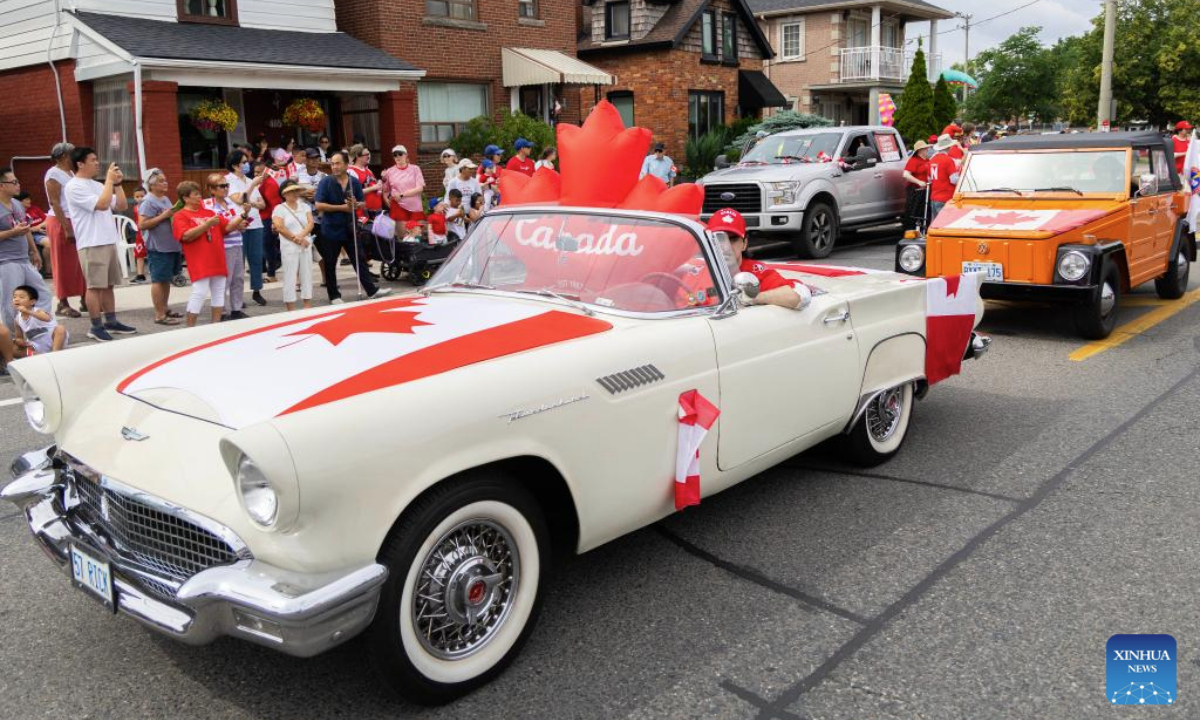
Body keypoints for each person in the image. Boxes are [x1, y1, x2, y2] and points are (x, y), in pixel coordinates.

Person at [63, 147, 136, 342]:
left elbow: (121, 206)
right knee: (95, 287)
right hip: (91, 242)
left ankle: (111, 321)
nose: (97, 163)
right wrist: (110, 182)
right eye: (93, 160)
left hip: (108, 239)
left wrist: (118, 184)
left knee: (109, 285)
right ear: (80, 164)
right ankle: (95, 326)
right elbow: (102, 205)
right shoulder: (73, 186)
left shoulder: (96, 185)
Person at [315, 151, 389, 303]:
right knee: (330, 262)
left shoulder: (353, 182)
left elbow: (362, 203)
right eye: (332, 163)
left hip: (350, 226)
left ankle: (371, 290)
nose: (334, 167)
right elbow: (319, 204)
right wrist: (342, 208)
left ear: (346, 164)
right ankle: (334, 295)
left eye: (337, 163)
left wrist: (356, 204)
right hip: (330, 228)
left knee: (359, 259)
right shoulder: (325, 182)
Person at [706, 208, 809, 309]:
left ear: (744, 244)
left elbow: (801, 294)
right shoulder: (696, 272)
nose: (725, 246)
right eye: (719, 239)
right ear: (708, 242)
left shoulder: (755, 272)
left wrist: (750, 298)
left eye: (733, 239)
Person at [0, 168, 53, 333]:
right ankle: (14, 338)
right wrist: (12, 232)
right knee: (12, 302)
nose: (18, 185)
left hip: (23, 258)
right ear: (2, 186)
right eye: (14, 182)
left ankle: (37, 327)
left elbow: (26, 228)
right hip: (6, 261)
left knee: (43, 293)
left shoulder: (17, 204)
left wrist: (34, 251)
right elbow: (17, 231)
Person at [172, 181, 229, 327]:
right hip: (199, 259)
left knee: (219, 291)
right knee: (200, 292)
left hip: (216, 257)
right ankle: (190, 328)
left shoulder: (209, 212)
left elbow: (227, 227)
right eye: (196, 194)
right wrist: (206, 225)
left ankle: (216, 325)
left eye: (199, 194)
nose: (200, 197)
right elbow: (185, 236)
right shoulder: (180, 215)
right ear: (185, 198)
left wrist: (243, 217)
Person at [43, 142, 86, 318]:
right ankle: (63, 302)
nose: (75, 156)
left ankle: (86, 297)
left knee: (81, 261)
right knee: (63, 262)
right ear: (62, 156)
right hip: (60, 220)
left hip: (75, 218)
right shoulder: (53, 174)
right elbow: (54, 202)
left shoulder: (71, 172)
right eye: (71, 153)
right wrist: (67, 228)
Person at [203, 172, 253, 319]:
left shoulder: (230, 204)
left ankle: (236, 309)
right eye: (221, 186)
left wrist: (242, 223)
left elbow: (236, 224)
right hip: (222, 247)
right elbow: (225, 228)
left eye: (227, 185)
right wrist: (241, 218)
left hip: (237, 243)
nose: (225, 188)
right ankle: (222, 311)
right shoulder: (208, 206)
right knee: (224, 280)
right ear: (212, 189)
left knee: (238, 278)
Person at [138, 169, 182, 325]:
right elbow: (142, 224)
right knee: (158, 280)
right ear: (152, 185)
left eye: (165, 180)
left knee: (166, 279)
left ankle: (165, 308)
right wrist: (164, 216)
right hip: (158, 247)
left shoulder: (164, 198)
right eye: (161, 181)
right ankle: (159, 315)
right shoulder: (148, 201)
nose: (166, 183)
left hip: (170, 245)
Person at [225, 151, 268, 306]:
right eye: (244, 162)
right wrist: (251, 187)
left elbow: (262, 204)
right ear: (236, 164)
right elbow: (239, 200)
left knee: (256, 258)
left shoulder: (250, 180)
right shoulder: (228, 180)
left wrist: (251, 200)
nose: (247, 165)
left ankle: (257, 291)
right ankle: (238, 296)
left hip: (255, 222)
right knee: (239, 262)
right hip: (239, 224)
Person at [272, 180, 315, 311]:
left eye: (296, 191)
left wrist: (301, 237)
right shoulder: (279, 209)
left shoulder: (304, 206)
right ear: (284, 194)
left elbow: (310, 224)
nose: (295, 194)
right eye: (291, 191)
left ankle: (307, 305)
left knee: (307, 275)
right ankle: (290, 308)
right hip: (289, 247)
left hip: (305, 245)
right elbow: (279, 227)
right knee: (290, 276)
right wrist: (296, 239)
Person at [12, 284, 66, 354]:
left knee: (60, 328)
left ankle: (55, 353)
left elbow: (47, 318)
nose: (16, 299)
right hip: (35, 345)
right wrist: (19, 341)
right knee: (13, 348)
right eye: (14, 297)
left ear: (32, 302)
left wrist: (28, 311)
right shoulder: (17, 320)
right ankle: (36, 355)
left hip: (54, 339)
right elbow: (19, 337)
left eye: (21, 297)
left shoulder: (37, 311)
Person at [253, 160, 283, 282]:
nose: (256, 175)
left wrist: (274, 222)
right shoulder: (256, 183)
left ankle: (272, 274)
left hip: (268, 219)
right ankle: (271, 267)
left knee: (268, 246)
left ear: (266, 171)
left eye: (259, 172)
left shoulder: (270, 184)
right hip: (258, 219)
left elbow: (275, 206)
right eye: (255, 172)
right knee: (265, 246)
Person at [381, 144, 425, 223]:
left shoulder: (415, 169)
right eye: (395, 155)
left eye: (400, 154)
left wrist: (401, 195)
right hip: (398, 206)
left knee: (416, 233)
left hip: (415, 205)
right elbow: (385, 189)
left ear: (406, 155)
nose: (397, 157)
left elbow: (420, 189)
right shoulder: (389, 171)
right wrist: (385, 197)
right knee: (402, 234)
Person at [928, 134, 960, 220]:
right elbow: (954, 180)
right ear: (949, 147)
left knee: (935, 225)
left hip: (934, 197)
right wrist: (962, 179)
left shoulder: (932, 160)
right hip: (946, 197)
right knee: (945, 223)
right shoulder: (948, 160)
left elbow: (929, 179)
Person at [903, 140, 932, 230]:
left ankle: (924, 230)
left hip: (926, 190)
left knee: (925, 212)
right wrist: (918, 182)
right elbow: (905, 175)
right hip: (915, 191)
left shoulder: (927, 160)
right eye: (925, 148)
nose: (927, 149)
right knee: (915, 212)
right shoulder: (914, 160)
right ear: (920, 150)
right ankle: (912, 231)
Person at [347, 144, 383, 217]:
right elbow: (354, 192)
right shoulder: (351, 171)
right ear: (358, 156)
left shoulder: (368, 170)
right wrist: (373, 188)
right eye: (366, 154)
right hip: (365, 213)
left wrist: (379, 184)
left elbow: (374, 185)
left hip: (377, 210)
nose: (368, 156)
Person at [127, 186, 148, 284]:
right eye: (137, 196)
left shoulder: (150, 206)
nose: (140, 198)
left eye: (142, 196)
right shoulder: (135, 207)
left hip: (149, 234)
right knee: (139, 254)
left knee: (152, 253)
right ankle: (140, 275)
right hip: (140, 234)